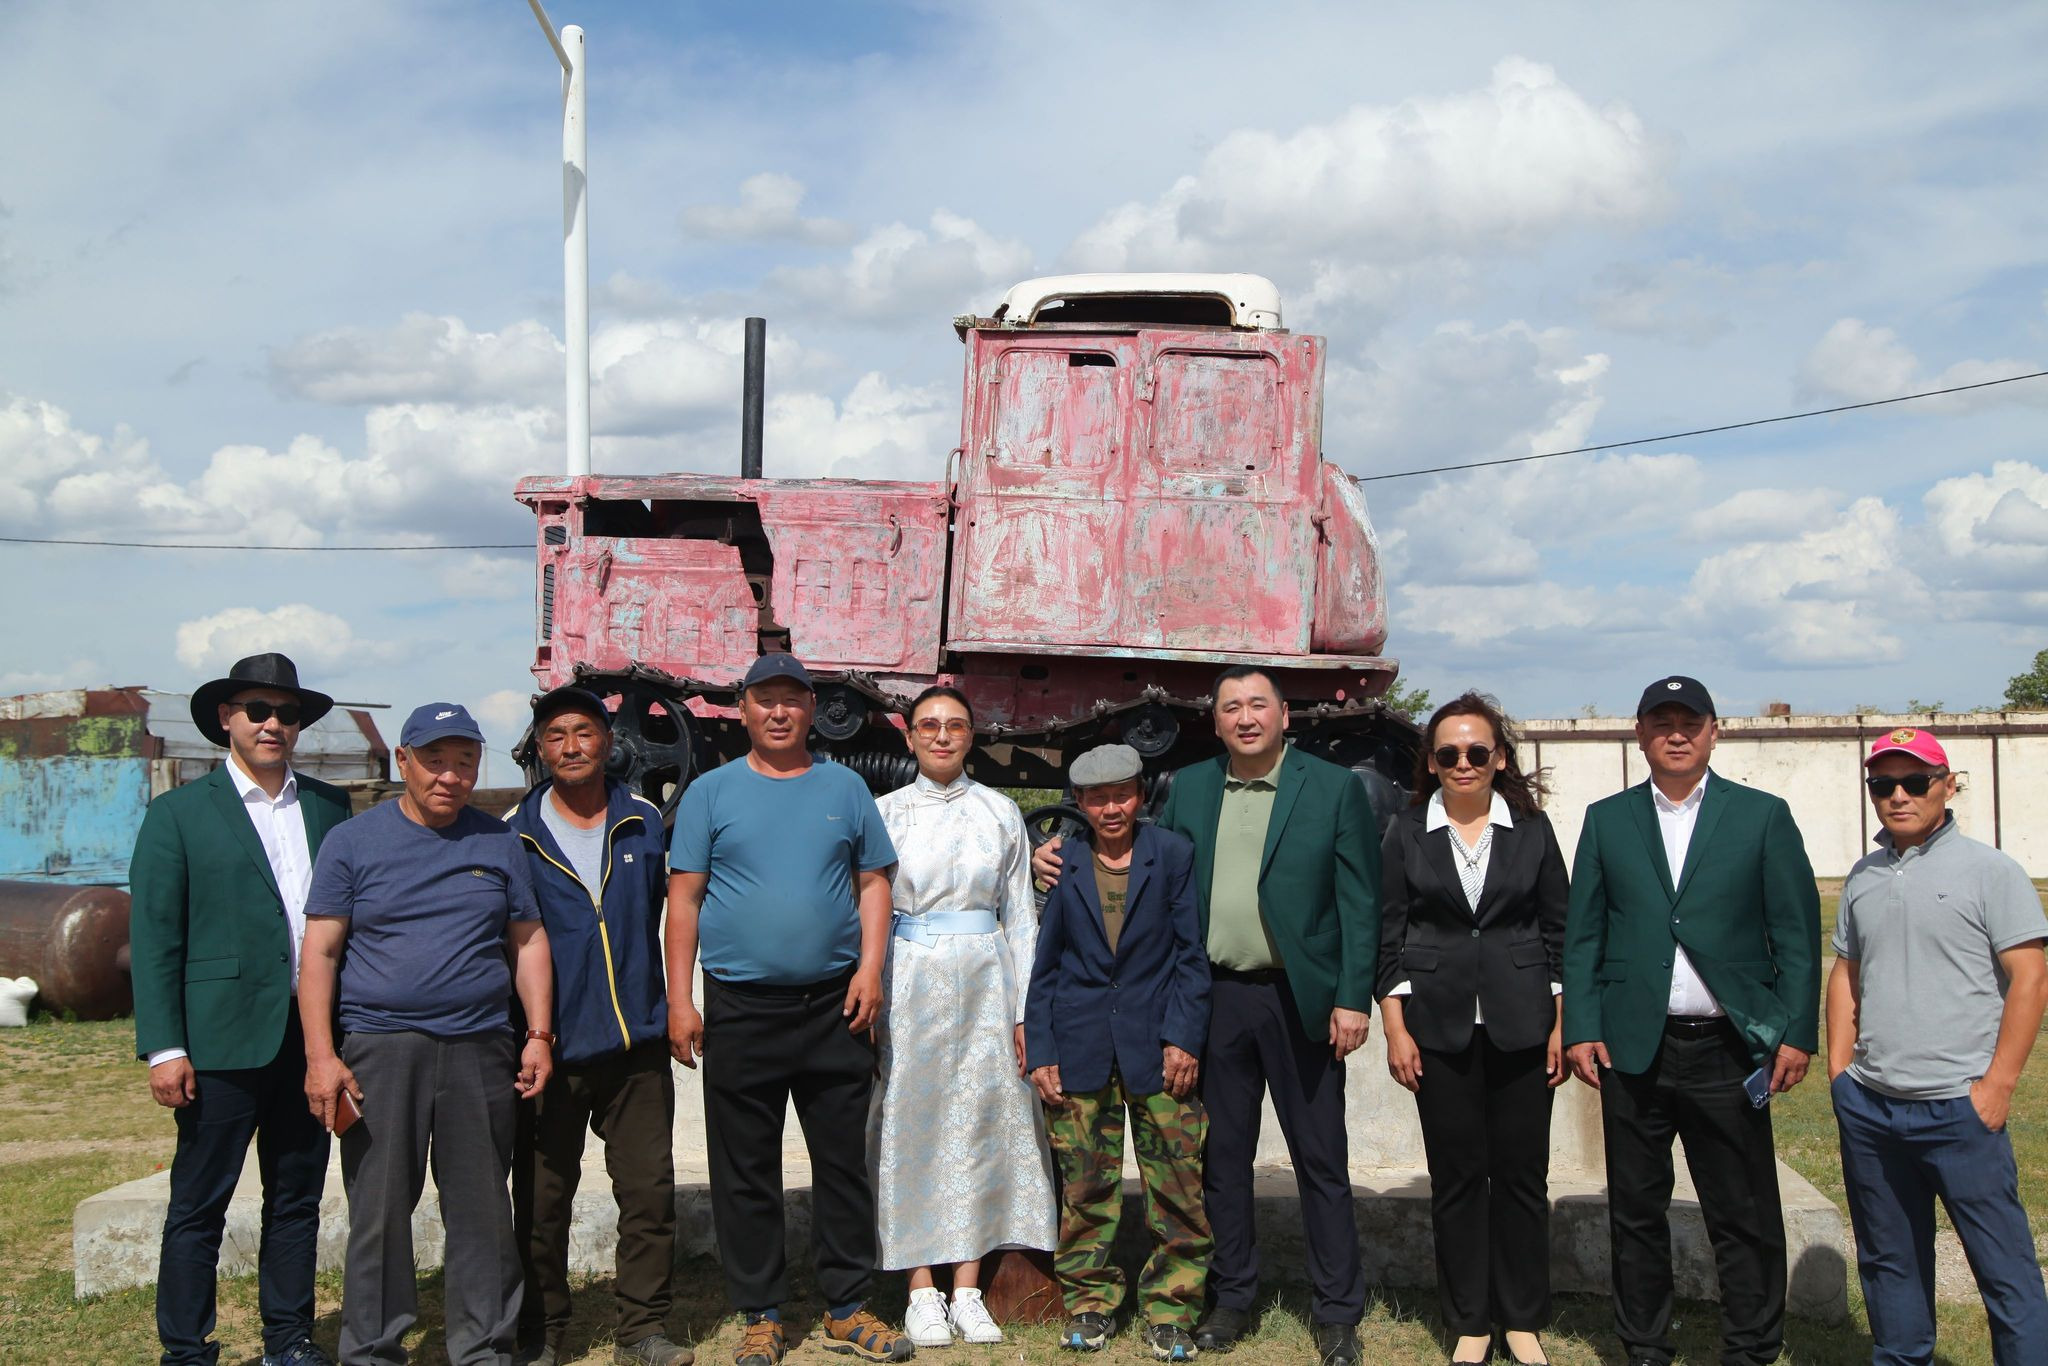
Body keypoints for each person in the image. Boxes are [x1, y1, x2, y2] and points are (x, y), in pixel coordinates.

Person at [1034, 665, 1379, 1366]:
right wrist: (1055, 855)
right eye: (1231, 708)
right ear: (1215, 722)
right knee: (1221, 1160)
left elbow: (1360, 900)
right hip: (1216, 998)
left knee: (1321, 1159)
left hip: (1301, 998)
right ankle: (1230, 1298)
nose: (1246, 717)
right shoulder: (1190, 787)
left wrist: (1351, 995)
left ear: (1285, 714)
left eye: (1258, 704)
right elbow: (1140, 861)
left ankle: (1338, 1312)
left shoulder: (1334, 787)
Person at [1561, 675, 1821, 1366]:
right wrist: (1583, 1024)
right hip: (1633, 1048)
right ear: (1639, 732)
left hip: (1728, 1050)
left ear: (1714, 730)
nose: (1676, 733)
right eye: (1661, 721)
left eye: (1690, 721)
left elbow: (1795, 933)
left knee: (1742, 1213)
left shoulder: (1761, 816)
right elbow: (1583, 935)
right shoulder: (1607, 819)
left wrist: (1796, 1032)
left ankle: (1752, 1346)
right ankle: (1646, 1346)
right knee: (1636, 1214)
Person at [665, 655, 913, 1366]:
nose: (778, 713)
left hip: (836, 1004)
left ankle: (847, 1306)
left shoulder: (846, 787)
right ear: (741, 711)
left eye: (791, 701)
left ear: (812, 711)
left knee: (841, 1162)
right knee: (744, 1164)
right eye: (764, 700)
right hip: (741, 1007)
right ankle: (761, 1311)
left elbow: (872, 883)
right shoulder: (711, 793)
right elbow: (683, 899)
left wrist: (871, 970)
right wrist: (681, 1000)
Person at [299, 701, 556, 1366]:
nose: (449, 775)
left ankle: (483, 1348)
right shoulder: (352, 843)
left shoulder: (497, 841)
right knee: (380, 1213)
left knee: (481, 1212)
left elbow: (527, 942)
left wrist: (537, 1034)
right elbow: (320, 952)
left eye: (464, 761)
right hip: (381, 1049)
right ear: (404, 762)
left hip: (479, 1047)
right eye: (435, 760)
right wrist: (322, 1056)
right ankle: (374, 1349)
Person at [130, 653, 351, 1366]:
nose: (273, 724)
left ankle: (289, 1340)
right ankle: (186, 1350)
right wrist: (165, 1046)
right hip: (218, 1039)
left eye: (287, 714)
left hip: (310, 1036)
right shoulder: (178, 815)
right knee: (199, 1203)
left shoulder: (328, 806)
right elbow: (156, 937)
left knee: (297, 1198)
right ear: (227, 718)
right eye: (258, 710)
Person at [1827, 726, 2048, 1365]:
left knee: (2005, 1273)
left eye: (1915, 781)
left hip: (1960, 1109)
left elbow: (2030, 979)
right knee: (1890, 1263)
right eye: (1883, 785)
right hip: (1872, 1109)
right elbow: (1846, 973)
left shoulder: (1991, 871)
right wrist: (1843, 1073)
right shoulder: (1864, 876)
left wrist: (1997, 1086)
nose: (1898, 796)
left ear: (1947, 786)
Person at [1377, 692, 1569, 1366]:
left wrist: (1559, 1027)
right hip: (1439, 1024)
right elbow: (1389, 937)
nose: (1464, 763)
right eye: (1449, 753)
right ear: (1431, 762)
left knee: (1522, 1177)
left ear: (1500, 758)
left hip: (1523, 1024)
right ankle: (1469, 1323)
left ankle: (1521, 1319)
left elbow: (1558, 934)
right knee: (1457, 1177)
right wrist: (1396, 1029)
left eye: (1477, 751)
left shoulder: (1534, 831)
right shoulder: (1404, 833)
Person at [869, 686, 1056, 1348]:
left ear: (973, 735)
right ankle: (921, 1287)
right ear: (910, 736)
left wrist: (1025, 1009)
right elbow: (870, 909)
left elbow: (1021, 918)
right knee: (911, 1121)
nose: (942, 735)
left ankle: (969, 1287)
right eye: (929, 725)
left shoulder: (1000, 811)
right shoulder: (884, 814)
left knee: (983, 1119)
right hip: (909, 978)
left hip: (986, 979)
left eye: (955, 724)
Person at [508, 686, 690, 1366]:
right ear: (540, 748)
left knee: (648, 1195)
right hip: (549, 1049)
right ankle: (544, 1333)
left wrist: (672, 1005)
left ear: (608, 743)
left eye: (584, 732)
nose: (572, 746)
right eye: (557, 735)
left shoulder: (642, 820)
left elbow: (668, 922)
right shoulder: (513, 835)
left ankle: (641, 1330)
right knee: (541, 1202)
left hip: (634, 1046)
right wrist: (532, 1034)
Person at [1025, 744, 1211, 1362]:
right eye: (1098, 798)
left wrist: (1184, 1036)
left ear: (1140, 796)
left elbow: (1191, 956)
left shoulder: (1173, 856)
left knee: (1177, 1185)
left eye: (1122, 794)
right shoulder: (1066, 863)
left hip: (1158, 1047)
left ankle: (1172, 1308)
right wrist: (1042, 1049)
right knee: (1084, 1187)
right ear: (1079, 803)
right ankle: (1089, 1303)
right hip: (1079, 1046)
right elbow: (1046, 966)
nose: (1111, 808)